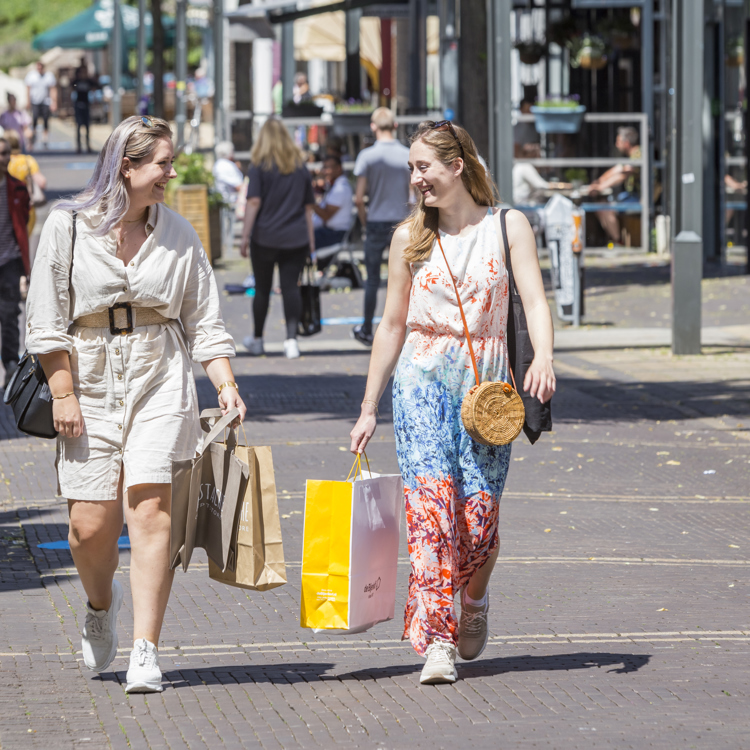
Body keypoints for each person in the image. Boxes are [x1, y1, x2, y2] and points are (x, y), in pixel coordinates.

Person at [24, 115, 245, 694]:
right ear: (128, 165)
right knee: (87, 525)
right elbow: (45, 321)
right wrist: (63, 391)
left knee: (151, 510)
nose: (171, 173)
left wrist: (224, 384)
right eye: (163, 163)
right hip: (87, 374)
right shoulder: (68, 226)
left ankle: (147, 648)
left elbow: (205, 320)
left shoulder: (178, 233)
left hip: (159, 373)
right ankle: (102, 603)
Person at [349, 121, 555, 685]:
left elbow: (535, 300)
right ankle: (436, 641)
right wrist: (369, 406)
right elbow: (391, 325)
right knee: (432, 515)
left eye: (424, 167)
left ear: (457, 166)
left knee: (480, 516)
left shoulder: (508, 226)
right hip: (421, 385)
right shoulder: (407, 238)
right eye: (413, 169)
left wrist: (543, 356)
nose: (415, 179)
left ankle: (476, 597)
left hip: (487, 388)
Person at [240, 117, 315, 360]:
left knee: (262, 290)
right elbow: (308, 209)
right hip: (296, 237)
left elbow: (253, 202)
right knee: (291, 288)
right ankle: (291, 341)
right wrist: (311, 243)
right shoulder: (300, 168)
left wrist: (244, 236)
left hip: (264, 236)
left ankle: (258, 339)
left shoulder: (259, 167)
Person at [351, 107, 411, 346]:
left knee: (372, 280)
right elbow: (414, 191)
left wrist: (366, 220)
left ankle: (367, 328)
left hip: (376, 220)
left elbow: (358, 198)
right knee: (406, 281)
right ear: (395, 126)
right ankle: (407, 329)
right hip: (402, 222)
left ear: (373, 127)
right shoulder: (407, 154)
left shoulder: (367, 156)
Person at [0, 137, 30, 389]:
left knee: (10, 315)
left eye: (5, 153)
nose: (2, 158)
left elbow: (24, 224)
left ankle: (10, 364)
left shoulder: (18, 188)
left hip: (9, 261)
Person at [588, 126, 641, 245]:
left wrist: (600, 187)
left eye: (618, 141)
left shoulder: (638, 154)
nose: (616, 145)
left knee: (605, 208)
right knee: (601, 207)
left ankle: (618, 241)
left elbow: (622, 175)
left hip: (640, 198)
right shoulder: (633, 155)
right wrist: (598, 182)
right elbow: (617, 169)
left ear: (626, 143)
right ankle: (615, 240)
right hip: (630, 195)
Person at [312, 154, 354, 270]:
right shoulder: (335, 185)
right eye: (323, 167)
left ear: (338, 168)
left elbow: (326, 215)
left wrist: (310, 203)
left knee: (300, 241)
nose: (324, 171)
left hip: (335, 234)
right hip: (329, 232)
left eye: (327, 168)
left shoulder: (341, 188)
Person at [6, 130, 47, 235]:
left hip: (7, 210)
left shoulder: (4, 162)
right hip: (27, 210)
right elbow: (42, 182)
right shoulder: (27, 160)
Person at [212, 140, 245, 255]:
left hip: (227, 199)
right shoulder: (227, 165)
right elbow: (240, 186)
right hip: (232, 201)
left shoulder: (218, 164)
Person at [25, 62, 57, 150]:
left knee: (46, 121)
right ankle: (33, 139)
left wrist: (54, 102)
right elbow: (28, 89)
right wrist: (28, 102)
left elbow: (52, 89)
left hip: (45, 102)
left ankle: (45, 140)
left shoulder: (49, 76)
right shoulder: (31, 76)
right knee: (34, 120)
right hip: (35, 101)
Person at [72, 65, 99, 154]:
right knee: (79, 126)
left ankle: (88, 145)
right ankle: (79, 146)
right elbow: (71, 85)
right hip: (78, 105)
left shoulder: (89, 81)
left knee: (87, 127)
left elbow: (95, 86)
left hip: (86, 105)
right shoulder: (77, 81)